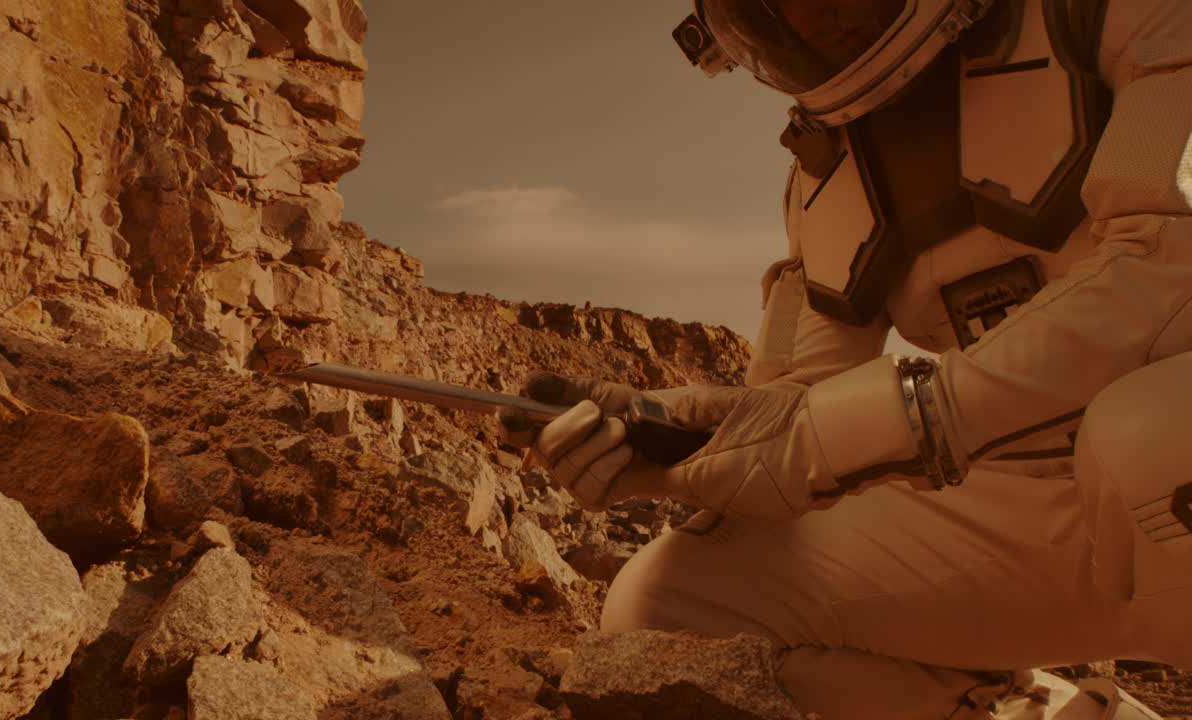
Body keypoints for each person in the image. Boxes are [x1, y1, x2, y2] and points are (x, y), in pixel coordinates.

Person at [499, 0, 1192, 717]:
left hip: (1166, 473)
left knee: (1146, 437)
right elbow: (793, 413)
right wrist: (666, 443)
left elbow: (1164, 272)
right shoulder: (826, 173)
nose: (814, 17)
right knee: (672, 600)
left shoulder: (1128, 16)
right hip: (1025, 517)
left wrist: (906, 417)